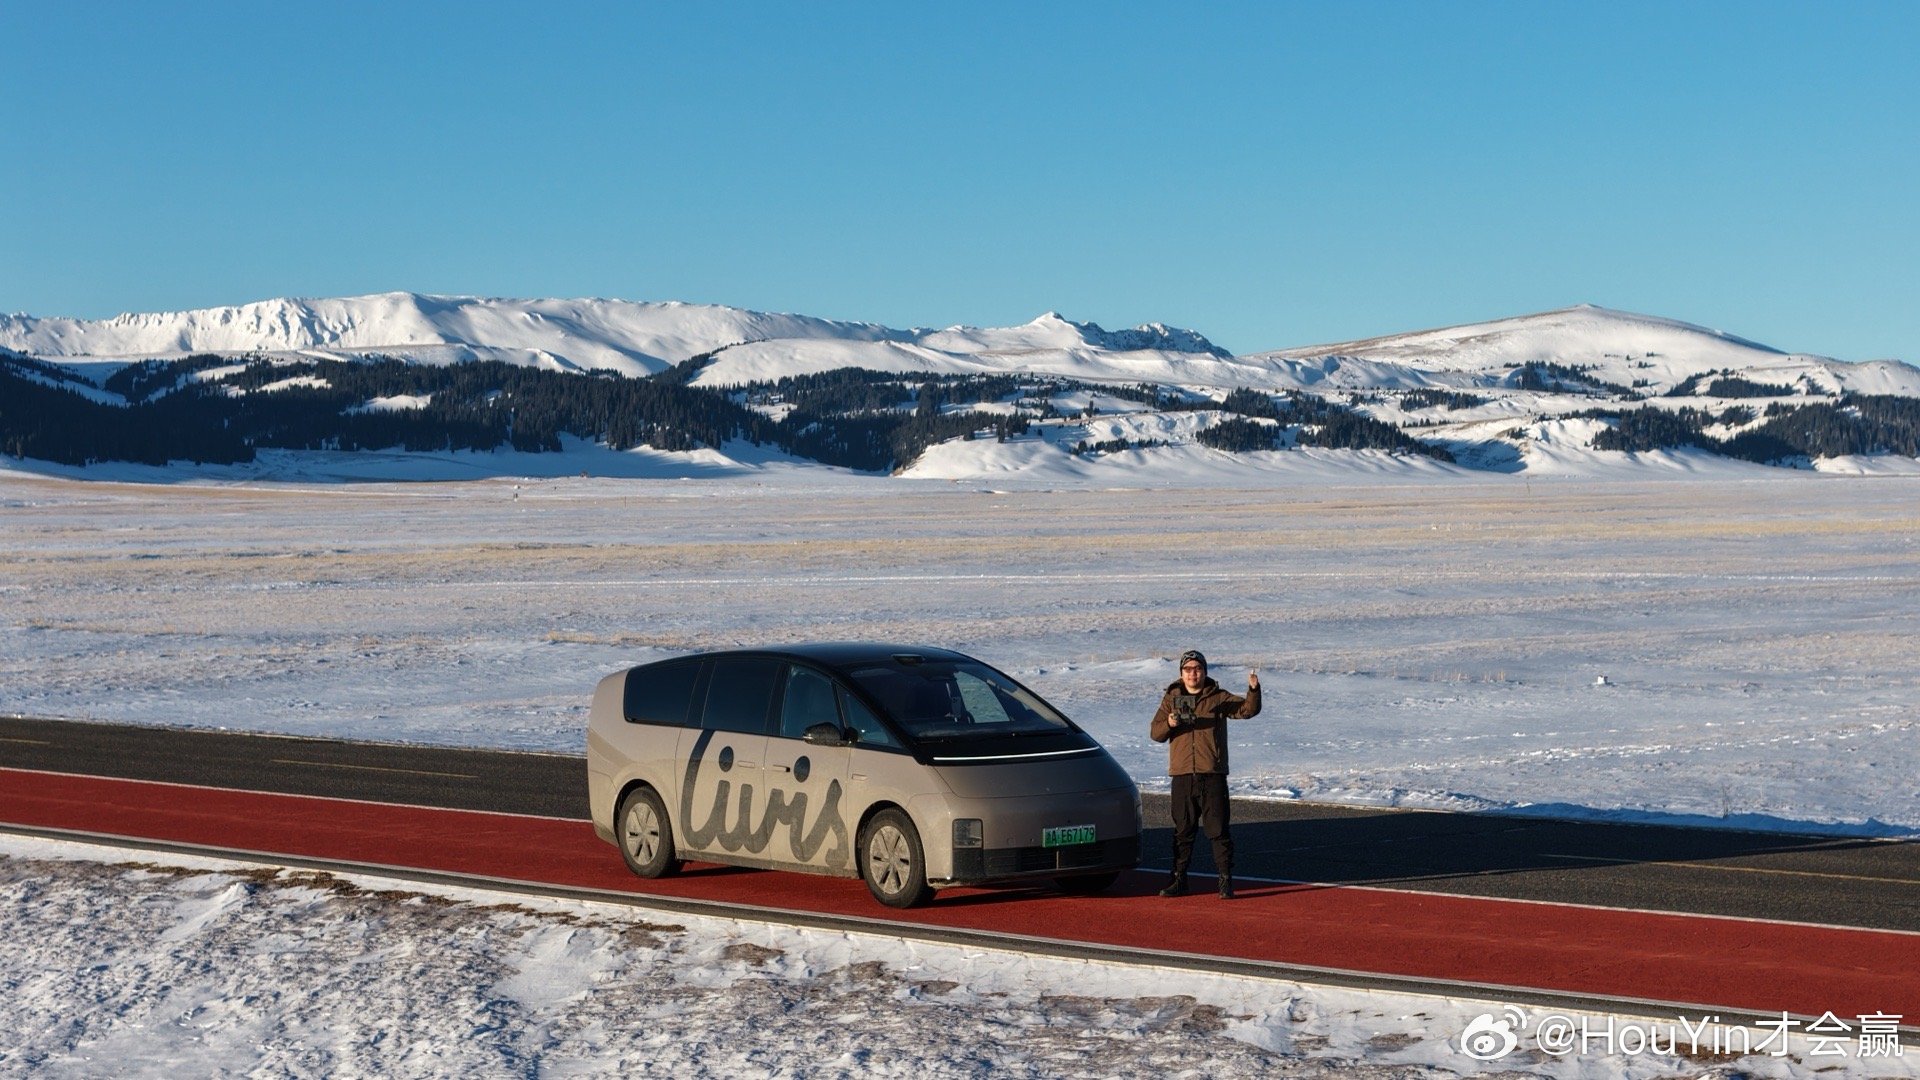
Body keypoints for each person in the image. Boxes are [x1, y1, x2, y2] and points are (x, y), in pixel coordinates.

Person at [1149, 649, 1260, 899]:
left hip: (1212, 774)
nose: (1193, 674)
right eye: (1188, 669)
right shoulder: (1171, 698)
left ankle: (1225, 880)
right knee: (1183, 831)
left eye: (1197, 669)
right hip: (1183, 775)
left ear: (1205, 672)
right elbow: (1155, 733)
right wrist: (1170, 723)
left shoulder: (1217, 697)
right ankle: (1178, 880)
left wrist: (1253, 690)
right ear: (1181, 673)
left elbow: (1246, 710)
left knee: (1218, 830)